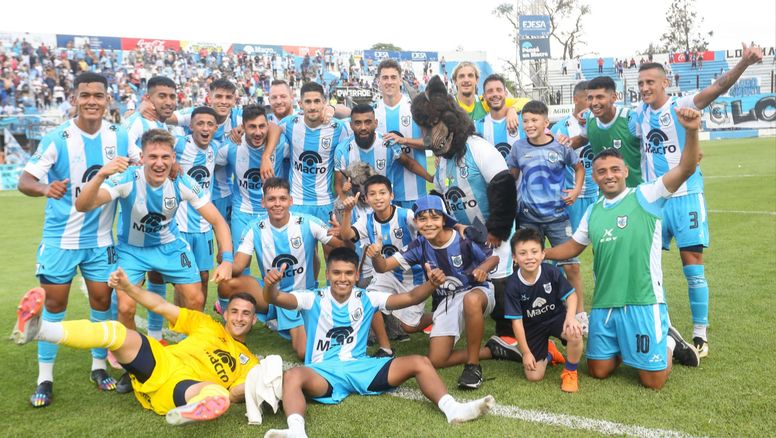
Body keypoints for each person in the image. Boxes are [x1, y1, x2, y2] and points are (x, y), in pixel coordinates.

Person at [545, 107, 705, 390]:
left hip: (643, 299)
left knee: (652, 381)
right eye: (602, 171)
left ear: (625, 172)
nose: (609, 176)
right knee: (598, 370)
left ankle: (668, 339)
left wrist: (691, 130)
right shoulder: (593, 211)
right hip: (606, 303)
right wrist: (540, 255)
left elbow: (686, 168)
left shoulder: (646, 194)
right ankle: (628, 341)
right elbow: (572, 247)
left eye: (615, 170)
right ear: (594, 177)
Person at [261, 247, 495, 438]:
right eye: (336, 273)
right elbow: (277, 299)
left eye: (348, 273)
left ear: (356, 275)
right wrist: (271, 285)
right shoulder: (312, 298)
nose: (342, 278)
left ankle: (452, 409)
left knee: (420, 362)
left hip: (362, 368)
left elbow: (411, 297)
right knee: (292, 376)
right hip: (323, 373)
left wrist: (431, 284)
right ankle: (296, 431)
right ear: (328, 274)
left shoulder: (368, 297)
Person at [75, 128, 234, 389]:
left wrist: (226, 259)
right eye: (153, 157)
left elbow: (217, 220)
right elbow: (83, 205)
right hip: (132, 251)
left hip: (171, 248)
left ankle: (191, 359)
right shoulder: (128, 178)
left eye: (165, 157)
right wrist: (102, 174)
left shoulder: (182, 181)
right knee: (125, 307)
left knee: (195, 300)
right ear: (142, 158)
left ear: (173, 158)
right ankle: (134, 367)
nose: (159, 163)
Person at [633, 43, 764, 357]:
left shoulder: (682, 105)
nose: (645, 88)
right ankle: (656, 325)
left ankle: (700, 335)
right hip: (655, 200)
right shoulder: (637, 114)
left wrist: (744, 62)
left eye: (650, 82)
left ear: (665, 82)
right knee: (646, 268)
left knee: (692, 267)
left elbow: (718, 87)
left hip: (686, 197)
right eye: (640, 84)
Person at [17, 72, 138, 407]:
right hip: (61, 239)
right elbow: (25, 180)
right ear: (74, 98)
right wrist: (45, 188)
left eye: (98, 96)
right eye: (85, 95)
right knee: (55, 306)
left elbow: (143, 159)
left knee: (101, 303)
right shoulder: (58, 138)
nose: (91, 101)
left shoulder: (120, 135)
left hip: (101, 241)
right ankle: (45, 377)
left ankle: (99, 367)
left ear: (107, 100)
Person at [12, 271, 259, 425]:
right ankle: (40, 329)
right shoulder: (206, 323)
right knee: (118, 333)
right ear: (225, 313)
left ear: (254, 319)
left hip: (185, 385)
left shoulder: (251, 362)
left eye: (246, 314)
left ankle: (190, 411)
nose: (239, 318)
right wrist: (129, 289)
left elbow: (239, 391)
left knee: (217, 392)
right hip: (161, 362)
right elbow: (161, 306)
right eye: (234, 311)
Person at [411, 75, 518, 355]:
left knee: (500, 276)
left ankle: (506, 334)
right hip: (466, 233)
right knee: (460, 275)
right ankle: (449, 321)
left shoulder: (477, 148)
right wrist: (442, 226)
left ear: (449, 121)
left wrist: (498, 229)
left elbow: (503, 186)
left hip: (494, 229)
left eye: (432, 125)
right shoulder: (443, 161)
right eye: (425, 127)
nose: (429, 134)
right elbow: (439, 198)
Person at [371, 195, 521, 389]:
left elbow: (493, 259)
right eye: (422, 219)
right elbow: (383, 267)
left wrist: (482, 269)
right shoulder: (420, 245)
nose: (428, 224)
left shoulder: (463, 238)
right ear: (415, 222)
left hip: (478, 291)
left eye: (434, 218)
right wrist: (376, 256)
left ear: (443, 219)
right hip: (448, 300)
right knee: (437, 360)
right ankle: (493, 350)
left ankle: (473, 366)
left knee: (471, 300)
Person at [217, 178, 345, 360]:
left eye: (282, 199)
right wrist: (226, 260)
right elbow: (237, 266)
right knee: (227, 282)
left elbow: (344, 248)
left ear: (290, 201)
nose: (277, 204)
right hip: (270, 295)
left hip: (301, 297)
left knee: (304, 353)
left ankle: (285, 321)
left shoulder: (308, 223)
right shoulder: (255, 229)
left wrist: (345, 233)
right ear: (263, 202)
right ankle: (228, 325)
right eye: (271, 199)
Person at [507, 100, 587, 331]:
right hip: (528, 217)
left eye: (534, 120)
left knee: (571, 266)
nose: (529, 125)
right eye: (525, 121)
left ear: (546, 122)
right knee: (526, 265)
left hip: (557, 216)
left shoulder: (561, 146)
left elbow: (579, 167)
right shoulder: (519, 148)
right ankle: (529, 310)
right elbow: (511, 175)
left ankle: (580, 313)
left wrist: (576, 189)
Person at [339, 175, 428, 356]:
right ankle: (385, 348)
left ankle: (439, 316)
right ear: (365, 199)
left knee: (409, 327)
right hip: (386, 274)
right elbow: (347, 235)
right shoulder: (367, 220)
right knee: (368, 300)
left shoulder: (406, 215)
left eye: (382, 193)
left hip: (414, 276)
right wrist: (347, 212)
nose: (378, 197)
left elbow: (427, 236)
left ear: (391, 195)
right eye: (372, 194)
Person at [504, 229, 584, 392]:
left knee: (575, 332)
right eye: (523, 253)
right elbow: (517, 322)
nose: (529, 257)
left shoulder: (551, 272)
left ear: (542, 254)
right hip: (532, 327)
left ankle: (570, 372)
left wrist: (570, 318)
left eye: (534, 252)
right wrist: (526, 353)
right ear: (514, 257)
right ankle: (550, 353)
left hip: (556, 318)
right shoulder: (512, 285)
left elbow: (571, 296)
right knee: (534, 376)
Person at [260, 81, 350, 224]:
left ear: (324, 103)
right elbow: (272, 128)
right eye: (308, 102)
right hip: (297, 201)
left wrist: (333, 108)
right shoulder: (290, 123)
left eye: (317, 101)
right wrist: (266, 156)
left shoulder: (337, 127)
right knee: (301, 246)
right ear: (300, 103)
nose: (313, 106)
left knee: (333, 245)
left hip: (325, 201)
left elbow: (354, 115)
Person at [218, 105, 287, 261]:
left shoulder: (281, 145)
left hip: (272, 212)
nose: (258, 132)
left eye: (262, 126)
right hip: (242, 212)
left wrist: (266, 156)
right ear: (243, 126)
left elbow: (277, 129)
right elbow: (210, 165)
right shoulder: (230, 147)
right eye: (252, 127)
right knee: (240, 264)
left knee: (277, 262)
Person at [173, 106, 223, 302]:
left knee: (203, 276)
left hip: (203, 225)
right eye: (200, 123)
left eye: (210, 124)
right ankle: (179, 324)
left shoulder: (215, 148)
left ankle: (199, 323)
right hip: (180, 224)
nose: (205, 128)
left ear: (215, 128)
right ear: (191, 126)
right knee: (183, 279)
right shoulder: (179, 145)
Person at [333, 103, 431, 199]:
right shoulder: (342, 149)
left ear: (375, 123)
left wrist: (431, 179)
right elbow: (338, 184)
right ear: (351, 125)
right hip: (356, 209)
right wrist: (345, 202)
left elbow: (409, 163)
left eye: (368, 122)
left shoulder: (388, 144)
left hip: (383, 207)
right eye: (358, 123)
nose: (363, 127)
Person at [560, 76, 643, 188]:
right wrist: (558, 146)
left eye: (600, 97)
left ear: (614, 97)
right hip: (605, 193)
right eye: (590, 98)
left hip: (634, 192)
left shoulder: (631, 119)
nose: (594, 103)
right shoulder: (589, 118)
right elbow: (583, 139)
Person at [372, 59, 428, 209]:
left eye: (393, 77)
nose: (389, 82)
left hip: (414, 192)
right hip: (382, 197)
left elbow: (431, 143)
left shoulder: (416, 109)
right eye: (385, 78)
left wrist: (403, 140)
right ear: (378, 81)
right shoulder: (372, 112)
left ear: (400, 80)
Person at [550, 81, 597, 231]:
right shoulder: (560, 128)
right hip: (572, 196)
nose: (591, 103)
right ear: (575, 99)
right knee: (572, 242)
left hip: (598, 193)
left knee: (603, 240)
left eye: (593, 98)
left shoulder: (600, 123)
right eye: (587, 98)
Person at [451, 61, 527, 131]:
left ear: (477, 80)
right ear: (455, 81)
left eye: (470, 76)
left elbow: (526, 101)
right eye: (461, 76)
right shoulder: (450, 105)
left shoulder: (485, 102)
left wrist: (512, 109)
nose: (466, 80)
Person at [474, 74, 523, 158]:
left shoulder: (523, 120)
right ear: (484, 96)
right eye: (490, 91)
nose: (495, 94)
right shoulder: (477, 126)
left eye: (499, 90)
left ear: (505, 93)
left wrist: (512, 109)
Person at [124, 76, 177, 149]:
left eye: (172, 97)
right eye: (162, 96)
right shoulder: (138, 121)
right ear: (148, 98)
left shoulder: (162, 123)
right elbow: (124, 147)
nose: (168, 102)